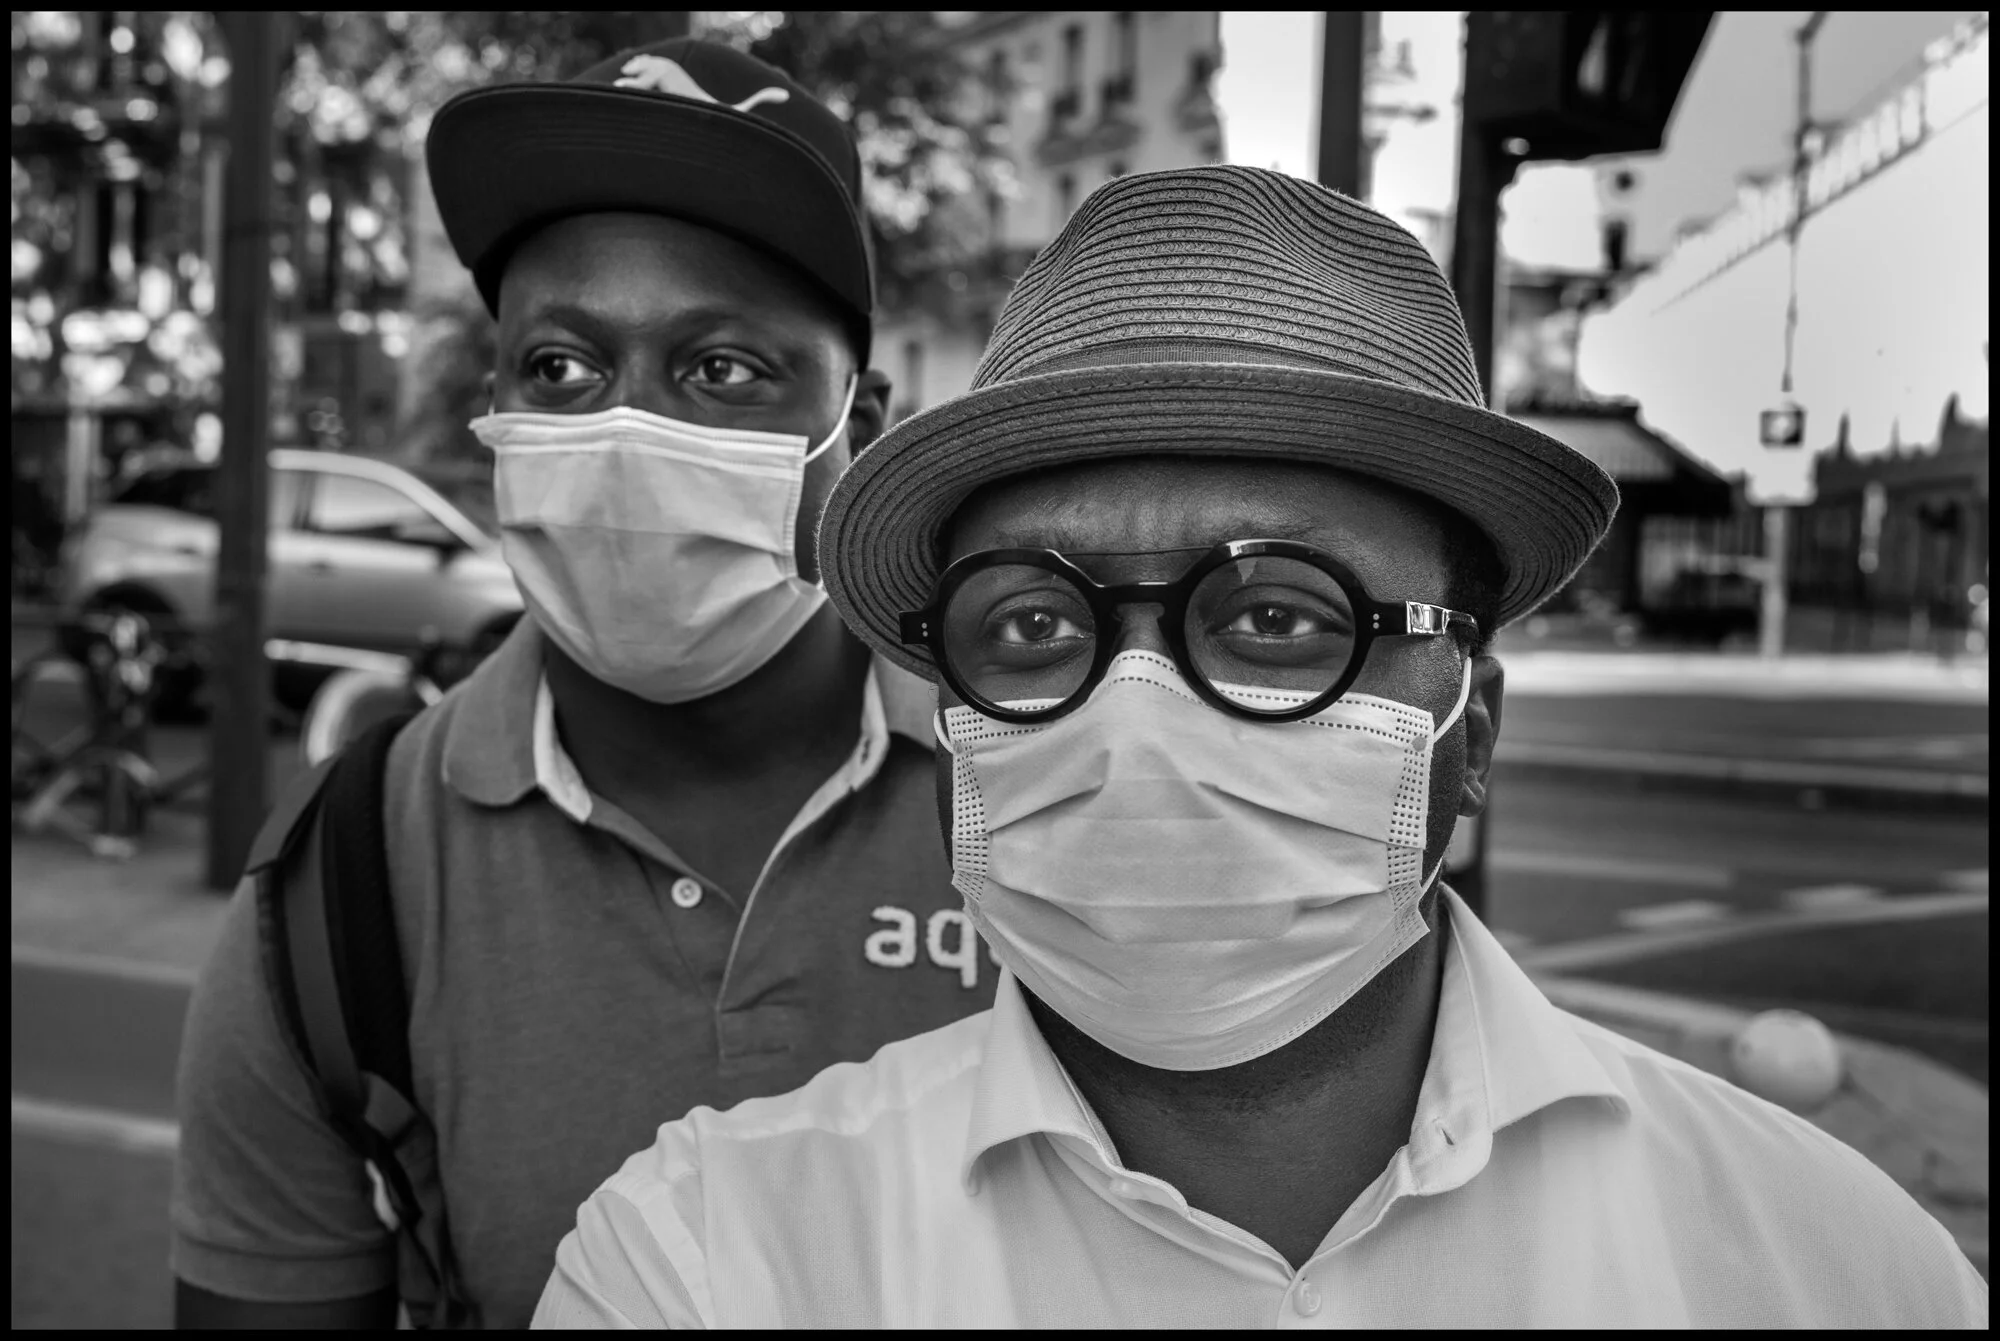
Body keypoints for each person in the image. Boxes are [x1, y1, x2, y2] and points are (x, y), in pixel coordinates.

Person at [535, 166, 1991, 1328]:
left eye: (1282, 619)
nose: (1137, 711)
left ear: (1465, 735)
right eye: (1034, 626)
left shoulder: (1832, 1271)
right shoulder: (713, 1260)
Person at [171, 38, 995, 1329]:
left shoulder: (1049, 781)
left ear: (865, 427)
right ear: (493, 408)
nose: (623, 430)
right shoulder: (347, 890)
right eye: (560, 368)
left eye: (723, 369)